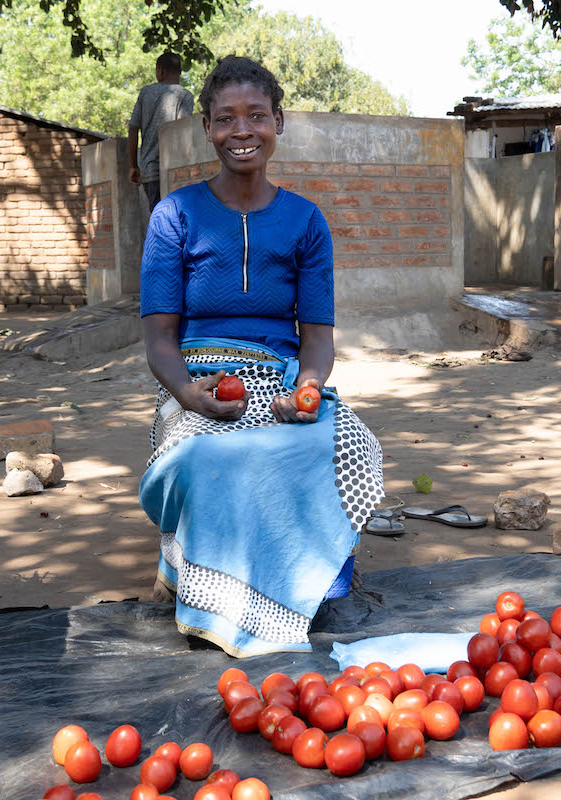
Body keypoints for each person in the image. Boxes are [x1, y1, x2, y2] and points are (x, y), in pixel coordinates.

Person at [137, 55, 384, 658]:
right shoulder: (174, 216)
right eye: (226, 119)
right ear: (207, 128)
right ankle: (207, 588)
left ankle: (312, 584)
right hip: (200, 376)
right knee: (208, 455)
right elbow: (158, 341)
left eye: (255, 116)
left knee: (348, 443)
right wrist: (189, 394)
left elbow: (317, 339)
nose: (241, 131)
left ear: (278, 122)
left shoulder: (305, 222)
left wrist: (306, 390)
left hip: (278, 379)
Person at [129, 51, 195, 211]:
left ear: (160, 70)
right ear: (179, 72)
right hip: (176, 171)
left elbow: (133, 128)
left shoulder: (146, 93)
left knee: (159, 219)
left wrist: (133, 166)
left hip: (149, 170)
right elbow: (182, 132)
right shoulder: (186, 96)